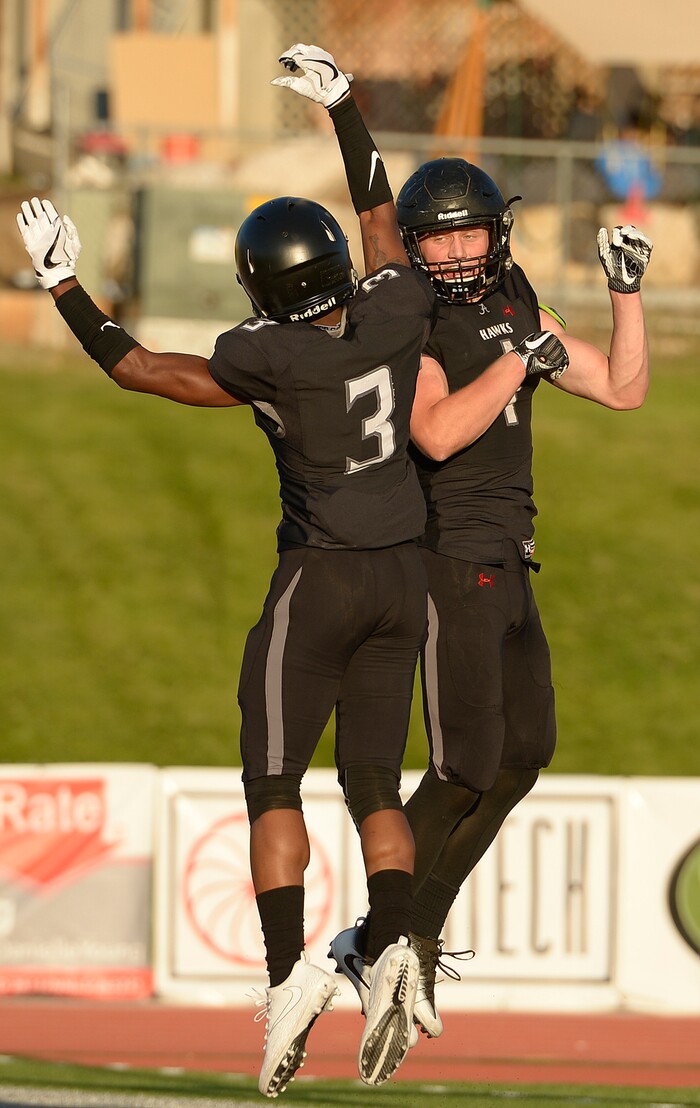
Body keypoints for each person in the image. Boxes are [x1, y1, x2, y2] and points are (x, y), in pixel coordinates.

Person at [273, 43, 652, 1040]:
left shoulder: (515, 299)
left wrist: (622, 295)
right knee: (465, 762)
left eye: (464, 236)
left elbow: (619, 387)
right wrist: (349, 107)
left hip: (510, 551)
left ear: (493, 235)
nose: (447, 253)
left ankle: (401, 939)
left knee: (525, 755)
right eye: (433, 241)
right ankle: (383, 937)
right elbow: (435, 430)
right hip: (442, 555)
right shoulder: (406, 319)